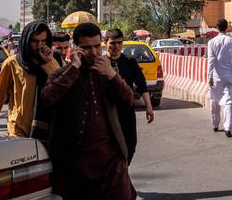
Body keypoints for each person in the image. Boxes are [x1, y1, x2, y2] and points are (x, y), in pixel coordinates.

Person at [41, 22, 136, 200]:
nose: (93, 52)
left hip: (111, 163)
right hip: (75, 166)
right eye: (86, 47)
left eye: (97, 46)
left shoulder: (106, 72)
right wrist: (74, 68)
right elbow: (48, 98)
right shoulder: (64, 73)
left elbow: (128, 100)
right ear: (76, 48)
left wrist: (112, 75)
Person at [0, 21, 60, 137]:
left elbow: (62, 86)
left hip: (48, 130)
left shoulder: (52, 61)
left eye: (43, 41)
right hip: (19, 131)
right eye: (35, 41)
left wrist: (48, 63)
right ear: (26, 40)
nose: (39, 46)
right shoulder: (12, 63)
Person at [105, 28, 154, 164]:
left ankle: (124, 168)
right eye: (112, 43)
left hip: (126, 110)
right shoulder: (101, 64)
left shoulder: (130, 62)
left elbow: (141, 84)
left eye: (119, 43)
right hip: (107, 112)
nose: (116, 47)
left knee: (130, 144)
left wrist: (148, 107)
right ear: (106, 43)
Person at [208, 18, 232, 137]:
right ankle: (228, 127)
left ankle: (215, 124)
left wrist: (209, 77)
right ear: (226, 27)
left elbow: (211, 61)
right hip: (230, 75)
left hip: (216, 76)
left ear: (216, 27)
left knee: (214, 101)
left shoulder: (211, 42)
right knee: (230, 102)